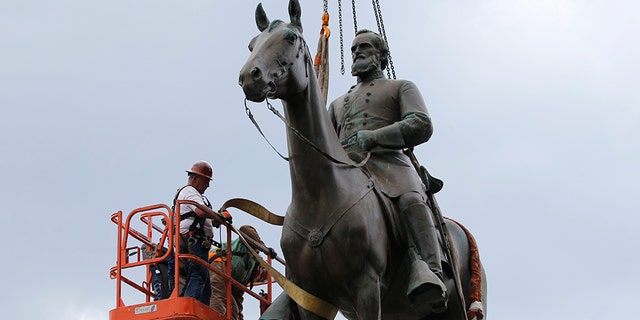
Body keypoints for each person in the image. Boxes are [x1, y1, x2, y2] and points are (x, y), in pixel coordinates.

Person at [327, 29, 447, 311]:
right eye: (354, 48)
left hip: (389, 165)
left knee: (411, 200)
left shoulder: (401, 87)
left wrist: (375, 137)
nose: (356, 52)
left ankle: (432, 272)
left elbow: (420, 123)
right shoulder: (336, 104)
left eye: (364, 47)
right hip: (347, 172)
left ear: (381, 56)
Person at [166, 160, 227, 305]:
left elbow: (197, 214)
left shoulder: (190, 194)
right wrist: (219, 216)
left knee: (204, 283)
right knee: (199, 274)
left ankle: (194, 307)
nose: (208, 185)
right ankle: (187, 305)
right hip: (193, 240)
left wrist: (215, 219)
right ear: (195, 179)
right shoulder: (190, 192)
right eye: (206, 181)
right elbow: (200, 211)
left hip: (192, 239)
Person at [208, 225, 274, 319]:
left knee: (233, 308)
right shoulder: (251, 248)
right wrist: (263, 247)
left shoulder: (244, 277)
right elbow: (245, 229)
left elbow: (238, 301)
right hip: (217, 261)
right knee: (218, 295)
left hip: (227, 271)